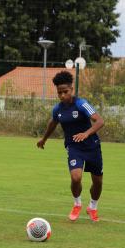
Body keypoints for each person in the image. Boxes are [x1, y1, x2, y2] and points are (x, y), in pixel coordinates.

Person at [37, 70, 104, 222]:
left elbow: (100, 121)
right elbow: (53, 123)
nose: (62, 95)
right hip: (74, 147)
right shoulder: (58, 109)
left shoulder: (81, 104)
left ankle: (93, 207)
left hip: (92, 146)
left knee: (98, 182)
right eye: (59, 93)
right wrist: (44, 139)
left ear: (71, 90)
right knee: (76, 177)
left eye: (65, 92)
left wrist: (86, 133)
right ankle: (77, 204)